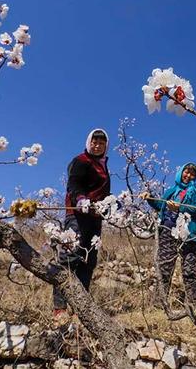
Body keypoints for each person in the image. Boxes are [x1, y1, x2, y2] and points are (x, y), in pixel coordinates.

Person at [53, 128, 111, 319]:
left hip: (95, 218)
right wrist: (80, 199)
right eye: (94, 142)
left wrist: (111, 204)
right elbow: (74, 184)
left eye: (101, 143)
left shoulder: (103, 166)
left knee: (88, 261)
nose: (97, 145)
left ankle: (81, 308)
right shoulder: (80, 161)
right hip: (77, 216)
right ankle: (60, 308)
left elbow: (104, 194)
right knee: (69, 258)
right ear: (88, 143)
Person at [140, 162, 196, 305]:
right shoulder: (171, 191)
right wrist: (150, 198)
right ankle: (159, 304)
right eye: (186, 172)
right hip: (168, 232)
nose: (188, 176)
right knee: (164, 268)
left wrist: (180, 208)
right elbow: (160, 205)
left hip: (189, 236)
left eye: (192, 174)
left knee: (189, 272)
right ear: (181, 172)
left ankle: (193, 306)